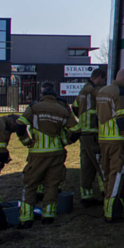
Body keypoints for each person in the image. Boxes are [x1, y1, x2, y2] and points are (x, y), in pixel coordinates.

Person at [16, 82, 79, 227]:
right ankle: (48, 216)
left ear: (42, 96)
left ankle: (26, 218)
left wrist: (26, 141)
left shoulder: (34, 107)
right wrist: (64, 141)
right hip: (56, 153)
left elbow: (20, 125)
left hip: (37, 153)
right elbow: (76, 130)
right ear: (55, 96)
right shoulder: (62, 110)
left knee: (30, 185)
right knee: (52, 184)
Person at [97, 69, 124, 222]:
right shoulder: (121, 93)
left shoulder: (103, 91)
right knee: (117, 174)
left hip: (104, 139)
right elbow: (123, 119)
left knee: (108, 174)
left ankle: (108, 208)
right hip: (117, 140)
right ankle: (112, 212)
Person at [73, 68, 107, 206]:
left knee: (87, 166)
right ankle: (107, 192)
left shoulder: (83, 90)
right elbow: (107, 94)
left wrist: (82, 119)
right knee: (101, 163)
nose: (103, 84)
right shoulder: (92, 90)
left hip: (84, 133)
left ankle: (87, 197)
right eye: (103, 80)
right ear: (99, 78)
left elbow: (74, 106)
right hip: (92, 133)